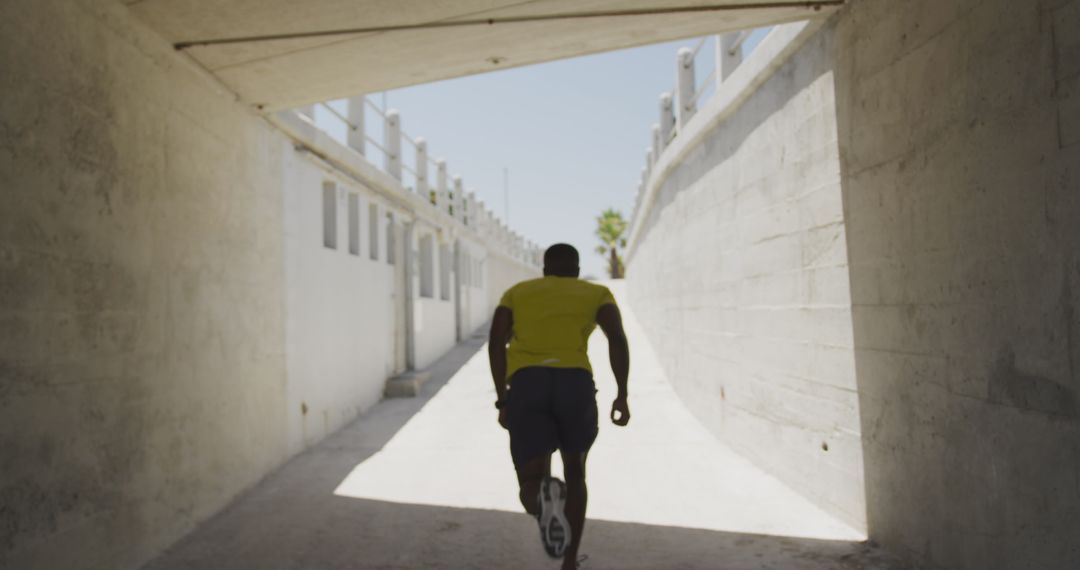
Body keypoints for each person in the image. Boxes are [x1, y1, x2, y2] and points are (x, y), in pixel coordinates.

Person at [488, 243, 631, 570]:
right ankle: (568, 562)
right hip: (574, 385)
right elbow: (617, 338)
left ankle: (543, 498)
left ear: (544, 269)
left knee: (530, 482)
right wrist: (621, 394)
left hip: (528, 385)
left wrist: (503, 398)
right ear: (578, 270)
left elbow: (496, 342)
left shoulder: (518, 293)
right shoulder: (596, 293)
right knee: (576, 474)